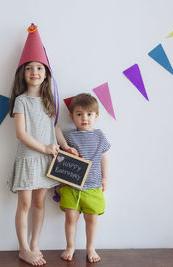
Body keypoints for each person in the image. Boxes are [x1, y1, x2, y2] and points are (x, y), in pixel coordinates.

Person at [8, 24, 77, 266]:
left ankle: (35, 244)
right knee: (25, 203)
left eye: (39, 68)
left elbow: (54, 127)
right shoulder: (21, 101)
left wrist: (66, 147)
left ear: (46, 73)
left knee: (39, 202)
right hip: (29, 158)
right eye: (29, 68)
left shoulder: (50, 101)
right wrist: (44, 148)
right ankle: (23, 248)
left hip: (47, 159)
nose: (34, 72)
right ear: (23, 74)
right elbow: (21, 134)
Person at [59, 93, 111, 263]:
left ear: (96, 116)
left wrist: (105, 178)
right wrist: (66, 147)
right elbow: (54, 129)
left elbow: (104, 157)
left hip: (93, 185)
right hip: (71, 186)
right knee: (70, 217)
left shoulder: (99, 136)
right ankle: (70, 246)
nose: (84, 118)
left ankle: (90, 247)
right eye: (79, 114)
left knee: (91, 218)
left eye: (89, 114)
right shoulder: (69, 136)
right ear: (72, 116)